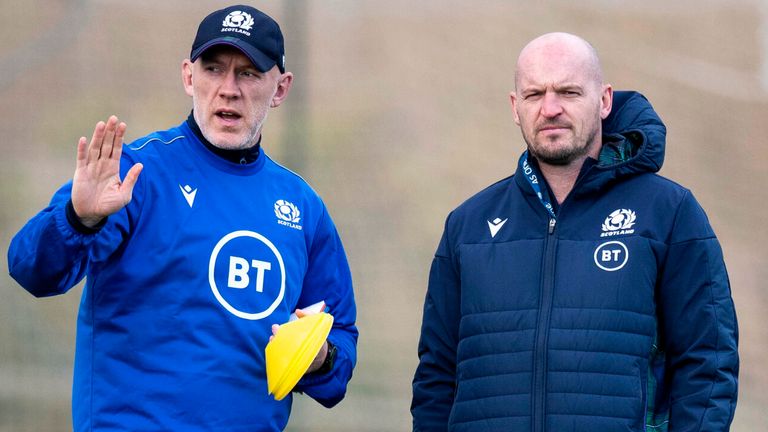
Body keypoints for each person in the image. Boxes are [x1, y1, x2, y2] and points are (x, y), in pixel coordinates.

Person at [7, 5, 357, 431]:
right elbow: (30, 269)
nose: (228, 89)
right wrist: (77, 218)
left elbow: (339, 351)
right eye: (214, 69)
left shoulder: (302, 208)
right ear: (189, 77)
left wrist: (320, 356)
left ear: (281, 88)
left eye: (248, 73)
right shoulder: (135, 173)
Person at [411, 32, 738, 431]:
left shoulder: (669, 212)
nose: (550, 109)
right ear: (515, 107)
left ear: (603, 100)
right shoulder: (468, 226)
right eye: (534, 95)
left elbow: (709, 362)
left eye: (568, 92)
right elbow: (435, 377)